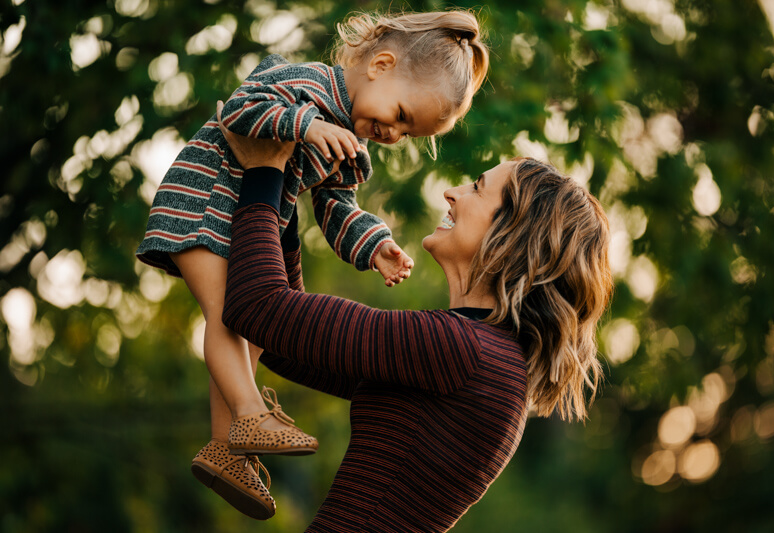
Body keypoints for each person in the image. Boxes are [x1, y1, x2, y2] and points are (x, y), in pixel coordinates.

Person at [134, 10, 490, 520]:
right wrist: (306, 124)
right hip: (206, 199)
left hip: (247, 220)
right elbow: (240, 108)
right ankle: (250, 415)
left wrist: (373, 245)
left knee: (252, 331)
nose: (394, 133)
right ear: (380, 65)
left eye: (408, 133)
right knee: (225, 314)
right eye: (402, 115)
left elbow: (335, 206)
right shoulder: (304, 83)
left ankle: (224, 449)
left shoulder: (352, 141)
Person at [216, 101, 615, 531]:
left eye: (477, 188)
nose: (453, 192)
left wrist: (264, 172)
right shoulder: (479, 355)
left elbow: (255, 307)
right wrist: (286, 191)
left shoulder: (464, 350)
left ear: (512, 235)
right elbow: (283, 345)